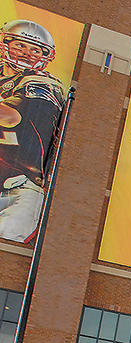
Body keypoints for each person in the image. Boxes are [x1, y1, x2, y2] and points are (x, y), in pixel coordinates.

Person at [0, 20, 66, 244]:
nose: (28, 53)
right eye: (21, 46)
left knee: (8, 245)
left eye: (36, 50)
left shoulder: (42, 82)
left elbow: (11, 118)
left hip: (19, 186)